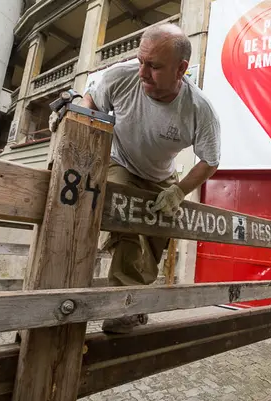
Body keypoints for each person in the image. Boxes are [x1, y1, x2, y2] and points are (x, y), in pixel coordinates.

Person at [78, 23, 221, 333]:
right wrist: (79, 121)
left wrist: (179, 191)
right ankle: (122, 307)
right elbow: (89, 99)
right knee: (125, 218)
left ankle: (137, 299)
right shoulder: (121, 76)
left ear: (181, 69)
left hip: (162, 175)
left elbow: (210, 160)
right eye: (141, 61)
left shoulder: (199, 109)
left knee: (157, 237)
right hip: (121, 161)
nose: (142, 72)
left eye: (154, 66)